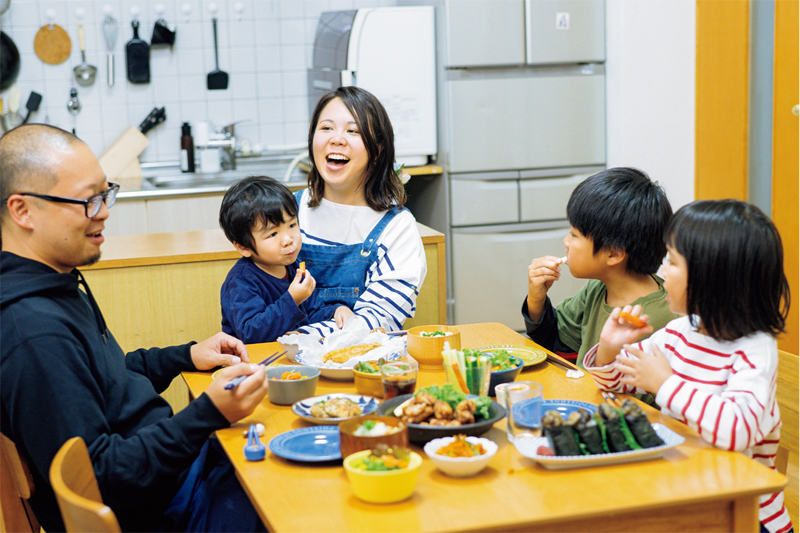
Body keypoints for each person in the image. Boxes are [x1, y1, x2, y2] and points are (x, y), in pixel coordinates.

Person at [0, 124, 269, 532]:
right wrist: (207, 413)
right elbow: (101, 478)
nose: (104, 211)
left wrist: (187, 355)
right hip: (164, 511)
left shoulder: (54, 280)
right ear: (23, 211)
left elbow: (108, 379)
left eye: (105, 194)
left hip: (170, 480)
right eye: (88, 200)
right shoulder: (34, 333)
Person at [585, 199, 792, 533]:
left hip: (744, 513)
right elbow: (616, 384)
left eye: (673, 261)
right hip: (684, 490)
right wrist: (610, 348)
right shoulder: (681, 332)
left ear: (713, 279)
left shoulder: (755, 349)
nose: (662, 271)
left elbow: (736, 431)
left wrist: (664, 384)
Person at [294, 86, 427, 336]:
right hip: (281, 366)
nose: (337, 139)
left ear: (377, 150)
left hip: (356, 366)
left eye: (352, 131)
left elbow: (374, 322)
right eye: (326, 128)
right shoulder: (286, 211)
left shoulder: (396, 228)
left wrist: (298, 338)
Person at [521, 167, 678, 369]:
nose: (566, 242)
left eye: (574, 235)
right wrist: (536, 298)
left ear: (613, 254)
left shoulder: (659, 319)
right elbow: (555, 344)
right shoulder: (596, 289)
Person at [219, 175, 353, 343]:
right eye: (273, 234)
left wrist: (336, 310)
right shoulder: (241, 282)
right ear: (243, 247)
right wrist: (292, 299)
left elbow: (312, 312)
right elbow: (251, 333)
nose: (288, 239)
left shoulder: (294, 267)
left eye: (292, 225)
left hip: (290, 358)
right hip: (253, 363)